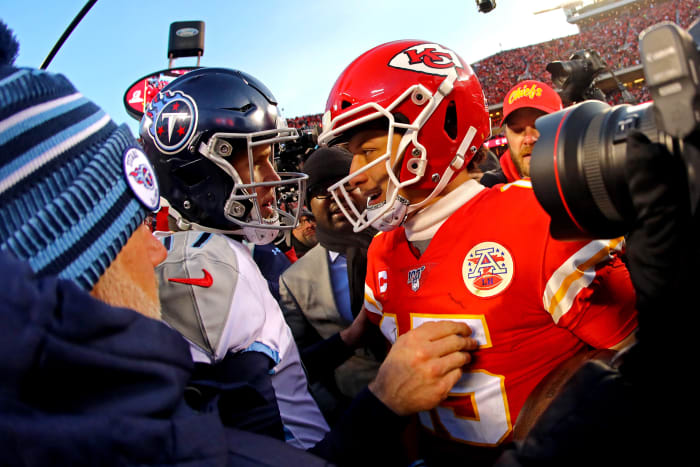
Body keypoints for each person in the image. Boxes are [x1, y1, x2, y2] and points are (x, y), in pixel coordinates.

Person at [0, 25, 329, 466]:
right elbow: (268, 442)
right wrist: (382, 405)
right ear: (199, 175)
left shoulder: (230, 254)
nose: (272, 179)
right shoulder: (208, 266)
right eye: (257, 161)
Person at [318, 39, 637, 465]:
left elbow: (637, 350)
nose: (354, 174)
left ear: (435, 131)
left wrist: (555, 413)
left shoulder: (534, 214)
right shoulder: (381, 250)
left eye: (368, 150)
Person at [279, 146, 383, 422]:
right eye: (322, 190)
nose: (336, 196)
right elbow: (301, 365)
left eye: (346, 184)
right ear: (308, 204)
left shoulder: (402, 242)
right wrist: (338, 415)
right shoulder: (294, 281)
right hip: (361, 416)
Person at [480, 80, 563, 187]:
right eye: (517, 129)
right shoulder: (489, 189)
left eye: (539, 126)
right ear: (506, 135)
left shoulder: (587, 176)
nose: (528, 139)